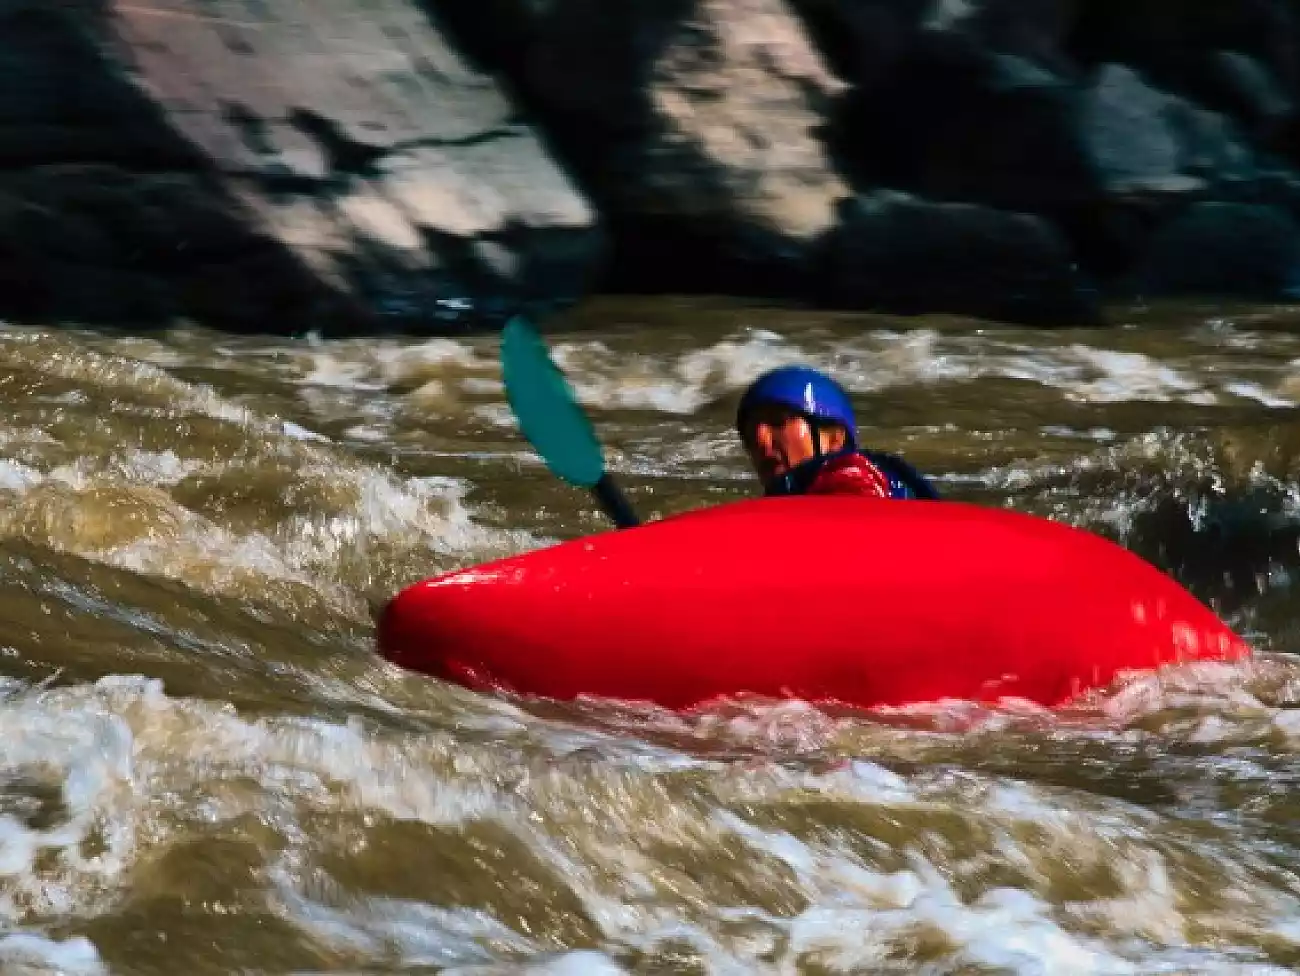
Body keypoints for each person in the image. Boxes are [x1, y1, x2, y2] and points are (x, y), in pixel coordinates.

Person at [735, 365, 940, 499]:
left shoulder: (850, 474)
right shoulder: (793, 493)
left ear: (834, 439)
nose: (760, 440)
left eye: (778, 422)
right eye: (751, 432)